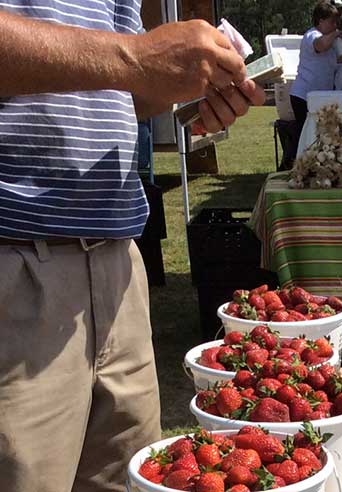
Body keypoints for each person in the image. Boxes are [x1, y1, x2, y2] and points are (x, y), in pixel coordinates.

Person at [0, 0, 264, 489]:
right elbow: (124, 59)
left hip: (118, 260)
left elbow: (121, 90)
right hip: (15, 265)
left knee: (130, 478)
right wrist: (137, 56)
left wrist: (185, 88)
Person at [290, 1, 342, 128]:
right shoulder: (312, 35)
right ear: (321, 21)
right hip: (303, 96)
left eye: (336, 23)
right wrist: (335, 34)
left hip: (318, 97)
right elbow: (320, 46)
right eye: (332, 22)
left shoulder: (330, 40)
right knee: (307, 133)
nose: (335, 26)